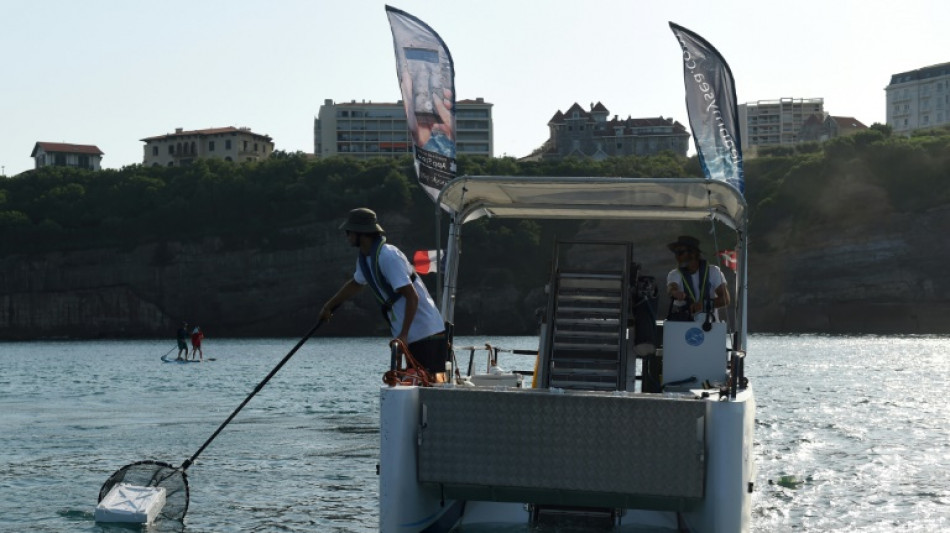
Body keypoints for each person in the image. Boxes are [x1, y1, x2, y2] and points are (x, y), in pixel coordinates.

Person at [320, 208, 447, 375]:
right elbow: (356, 284)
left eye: (348, 232)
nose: (347, 236)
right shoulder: (366, 258)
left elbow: (412, 297)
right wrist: (329, 306)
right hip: (411, 337)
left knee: (428, 386)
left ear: (361, 233)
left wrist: (403, 335)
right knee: (414, 385)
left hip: (426, 333)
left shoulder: (388, 256)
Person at [666, 235, 730, 322]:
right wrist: (675, 292)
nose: (676, 256)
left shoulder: (713, 271)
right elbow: (671, 287)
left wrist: (702, 305)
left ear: (693, 253)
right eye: (675, 253)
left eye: (680, 252)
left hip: (710, 327)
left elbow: (725, 300)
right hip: (684, 327)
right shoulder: (674, 274)